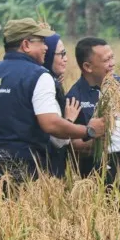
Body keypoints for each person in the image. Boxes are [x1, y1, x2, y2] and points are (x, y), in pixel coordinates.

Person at [0, 18, 105, 195]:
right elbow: (51, 124)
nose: (46, 47)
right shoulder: (39, 76)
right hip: (22, 166)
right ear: (26, 45)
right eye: (41, 41)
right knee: (23, 219)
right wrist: (89, 130)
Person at [66, 37, 120, 190]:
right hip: (106, 164)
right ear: (88, 66)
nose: (112, 63)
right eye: (106, 60)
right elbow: (71, 144)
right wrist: (94, 138)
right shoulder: (75, 97)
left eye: (112, 57)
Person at [42, 32, 81, 178]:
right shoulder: (46, 88)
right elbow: (57, 140)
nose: (66, 59)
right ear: (47, 55)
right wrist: (69, 120)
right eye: (61, 54)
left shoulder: (50, 83)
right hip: (48, 168)